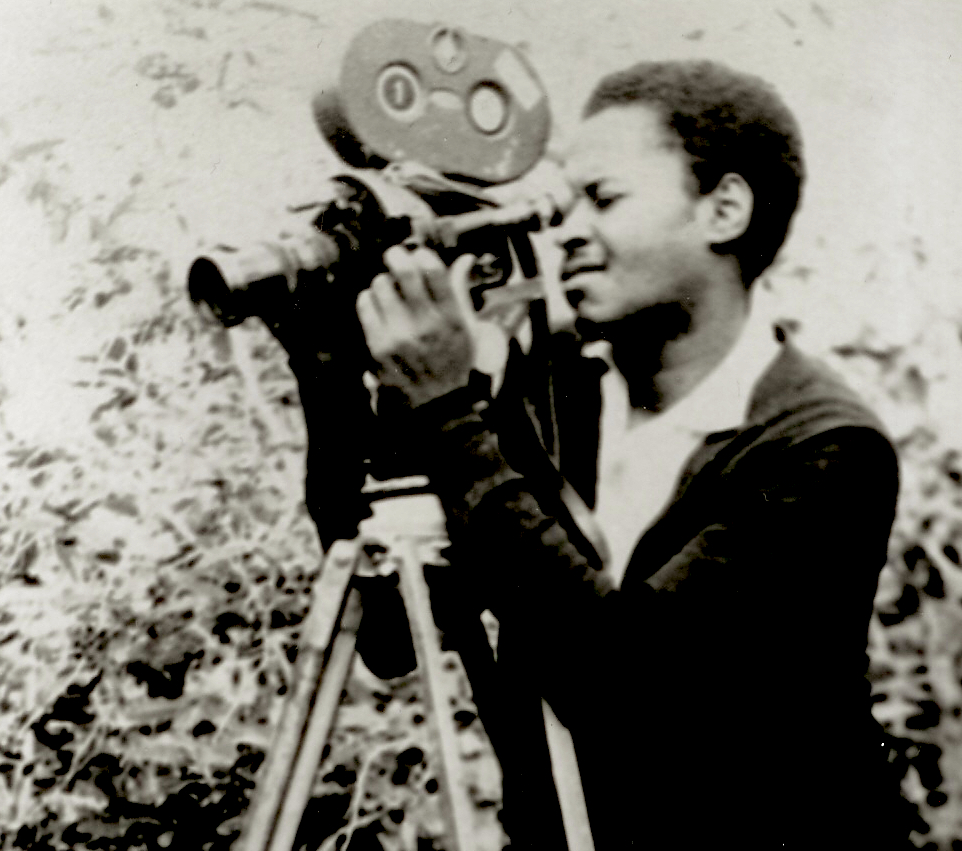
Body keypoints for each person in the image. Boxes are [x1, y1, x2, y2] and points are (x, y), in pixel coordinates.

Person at [354, 60, 908, 848]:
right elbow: (388, 628)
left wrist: (448, 414)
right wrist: (329, 366)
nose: (566, 232)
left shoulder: (824, 447)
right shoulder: (561, 402)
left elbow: (631, 687)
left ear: (723, 209)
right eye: (565, 203)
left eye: (603, 199)